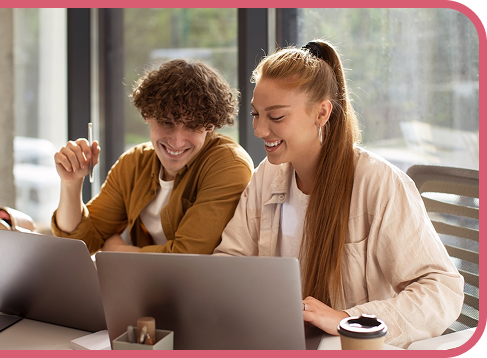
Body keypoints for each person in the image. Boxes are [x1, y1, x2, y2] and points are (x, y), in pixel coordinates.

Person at [213, 40, 464, 348]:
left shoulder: (378, 183)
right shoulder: (267, 175)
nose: (259, 130)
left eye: (276, 117)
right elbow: (230, 261)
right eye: (255, 114)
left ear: (321, 113)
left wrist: (347, 318)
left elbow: (441, 290)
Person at [52, 59, 253, 254]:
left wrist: (120, 252)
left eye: (192, 126)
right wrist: (71, 184)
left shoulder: (228, 165)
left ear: (210, 126)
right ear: (148, 115)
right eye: (166, 122)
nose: (177, 141)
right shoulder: (134, 163)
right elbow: (78, 244)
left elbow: (189, 257)